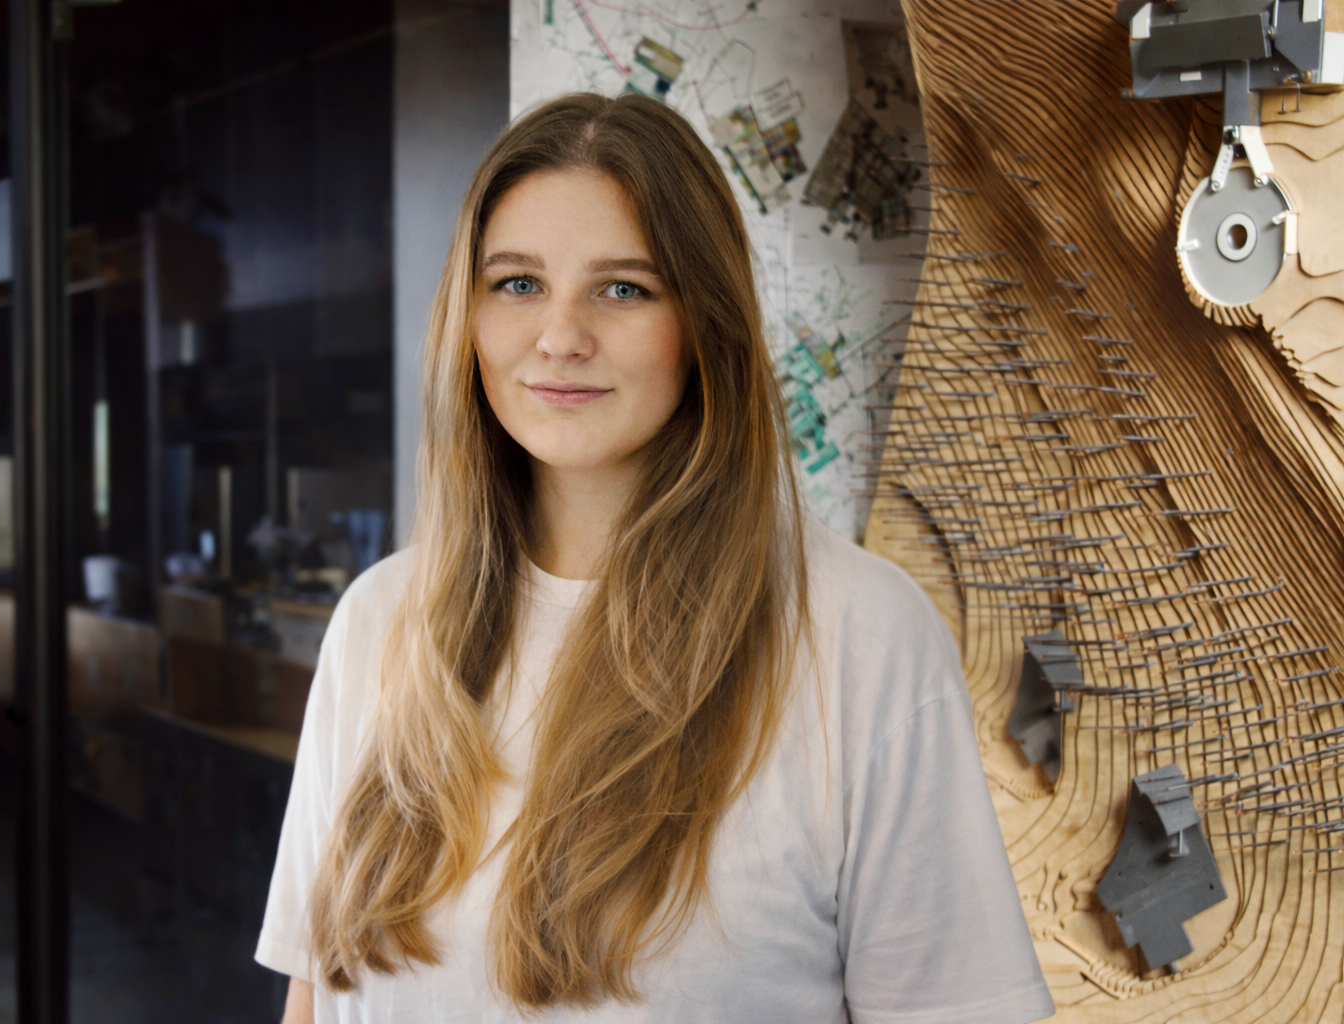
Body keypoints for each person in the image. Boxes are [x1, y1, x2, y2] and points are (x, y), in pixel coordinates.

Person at [256, 92, 1055, 1024]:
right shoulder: (379, 620)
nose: (560, 337)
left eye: (623, 289)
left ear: (705, 323)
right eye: (517, 283)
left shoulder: (861, 635)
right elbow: (311, 1000)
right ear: (465, 317)